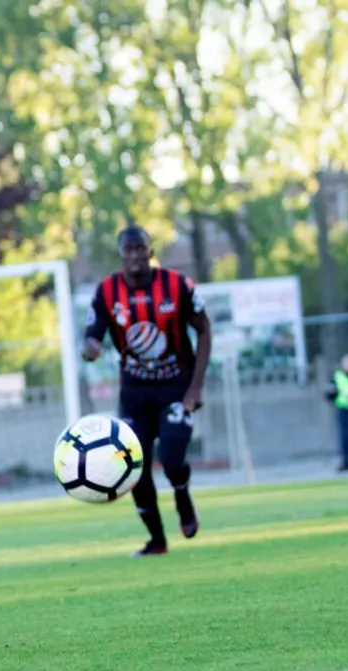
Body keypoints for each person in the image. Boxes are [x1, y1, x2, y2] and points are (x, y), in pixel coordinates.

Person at [83, 224, 213, 557]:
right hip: (135, 393)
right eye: (129, 250)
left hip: (175, 388)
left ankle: (182, 495)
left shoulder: (177, 285)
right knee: (134, 467)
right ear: (121, 255)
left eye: (141, 248)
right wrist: (91, 347)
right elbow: (93, 332)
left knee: (171, 459)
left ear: (150, 251)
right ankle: (156, 541)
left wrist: (196, 386)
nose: (135, 255)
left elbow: (204, 329)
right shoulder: (107, 292)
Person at [324, 353, 348, 472]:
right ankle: (346, 461)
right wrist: (334, 400)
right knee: (345, 436)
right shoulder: (338, 376)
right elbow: (329, 392)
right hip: (344, 410)